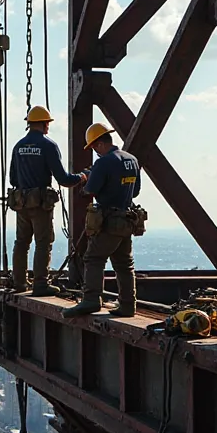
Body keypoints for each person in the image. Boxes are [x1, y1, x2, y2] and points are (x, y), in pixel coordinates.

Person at [63, 122, 142, 318]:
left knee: (94, 258)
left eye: (94, 148)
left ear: (99, 144)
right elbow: (136, 191)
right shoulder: (131, 159)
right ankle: (127, 305)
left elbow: (90, 190)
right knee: (124, 263)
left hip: (109, 221)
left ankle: (90, 300)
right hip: (127, 219)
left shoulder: (104, 162)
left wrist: (88, 179)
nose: (95, 153)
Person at [8, 106, 87, 296]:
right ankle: (40, 284)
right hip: (40, 204)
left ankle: (19, 282)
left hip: (22, 203)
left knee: (21, 242)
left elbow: (13, 179)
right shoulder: (48, 145)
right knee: (43, 242)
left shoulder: (18, 146)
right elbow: (64, 179)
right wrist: (82, 177)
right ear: (44, 124)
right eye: (47, 124)